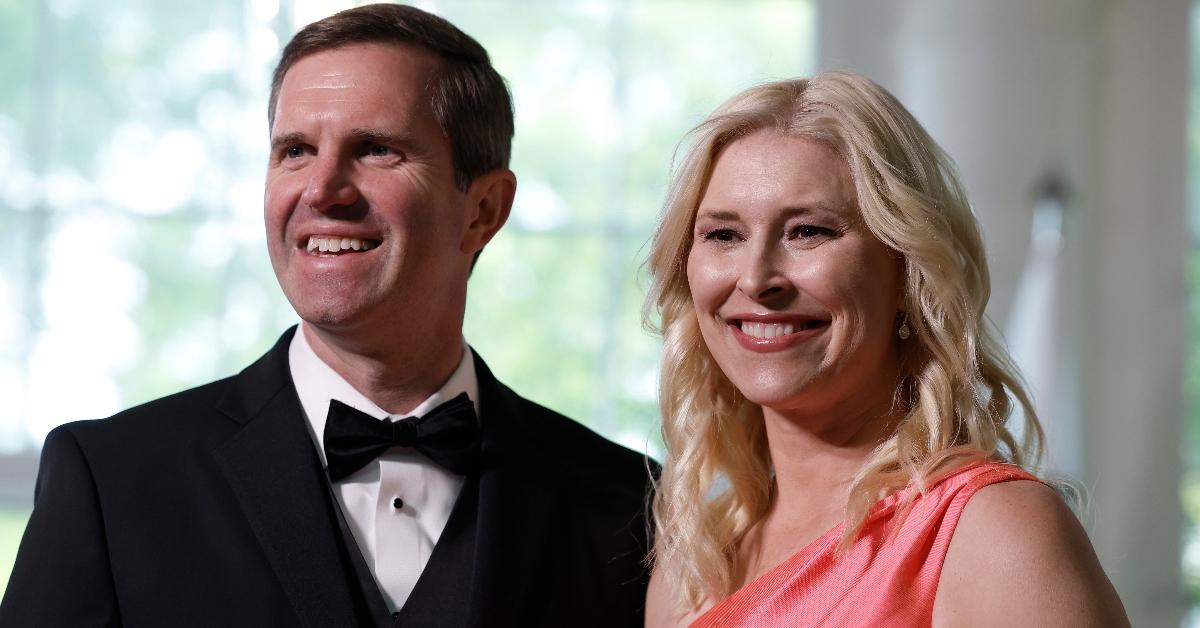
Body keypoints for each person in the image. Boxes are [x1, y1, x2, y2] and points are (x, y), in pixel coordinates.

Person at [0, 5, 653, 627]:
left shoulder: (631, 507)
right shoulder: (114, 483)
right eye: (294, 151)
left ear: (483, 209)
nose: (321, 189)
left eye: (375, 149)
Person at [642, 72, 1129, 627]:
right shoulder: (694, 568)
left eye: (809, 231)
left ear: (907, 270)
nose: (756, 280)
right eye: (723, 236)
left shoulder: (993, 534)